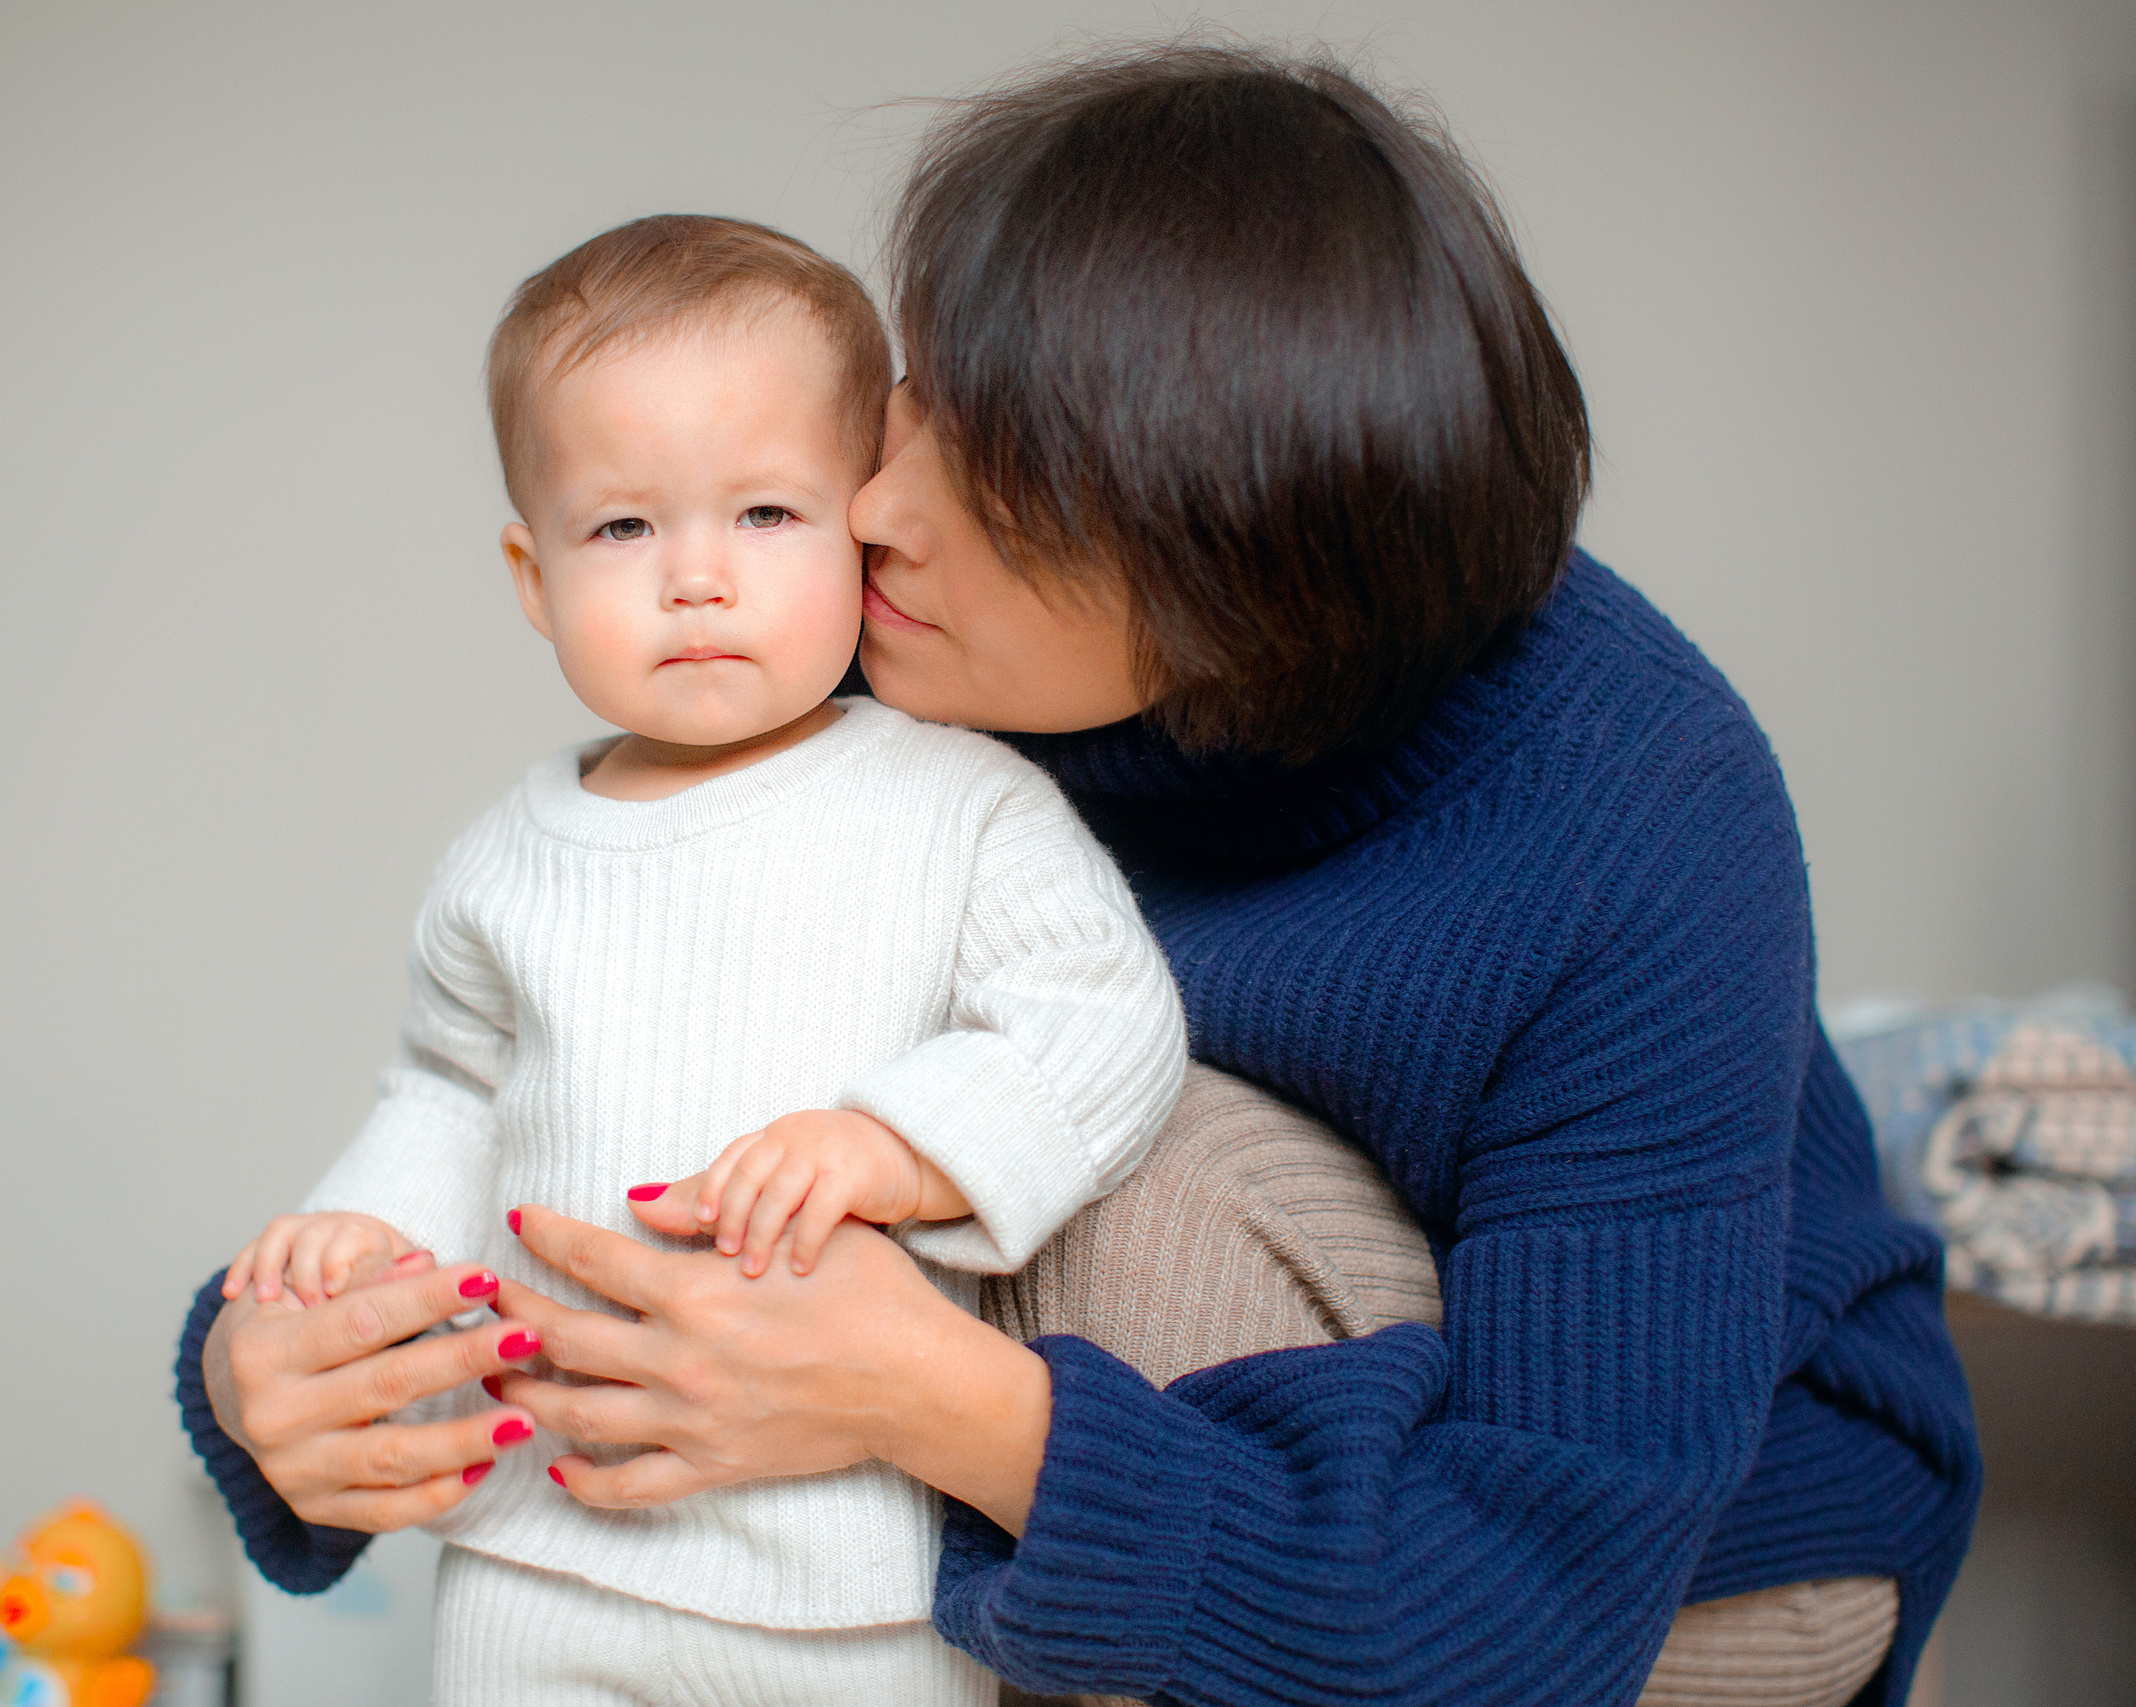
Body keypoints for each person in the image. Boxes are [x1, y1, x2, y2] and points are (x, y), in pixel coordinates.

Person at [178, 42, 1981, 1707]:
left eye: (1004, 493)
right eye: (925, 402)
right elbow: (590, 1045)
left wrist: (935, 1401)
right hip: (1242, 1449)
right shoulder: (874, 620)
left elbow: (1529, 1590)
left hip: (1663, 1549)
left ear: (1223, 602)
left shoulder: (1638, 820)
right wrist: (274, 1370)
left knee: (1126, 1161)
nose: (874, 511)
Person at [190, 213, 1187, 1706]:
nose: (697, 578)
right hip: (537, 1545)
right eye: (623, 529)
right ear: (533, 576)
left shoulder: (960, 806)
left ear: (863, 531)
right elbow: (450, 1091)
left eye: (766, 514)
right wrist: (358, 1240)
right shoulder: (505, 857)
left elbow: (1103, 1021)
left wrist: (898, 1148)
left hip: (842, 1572)